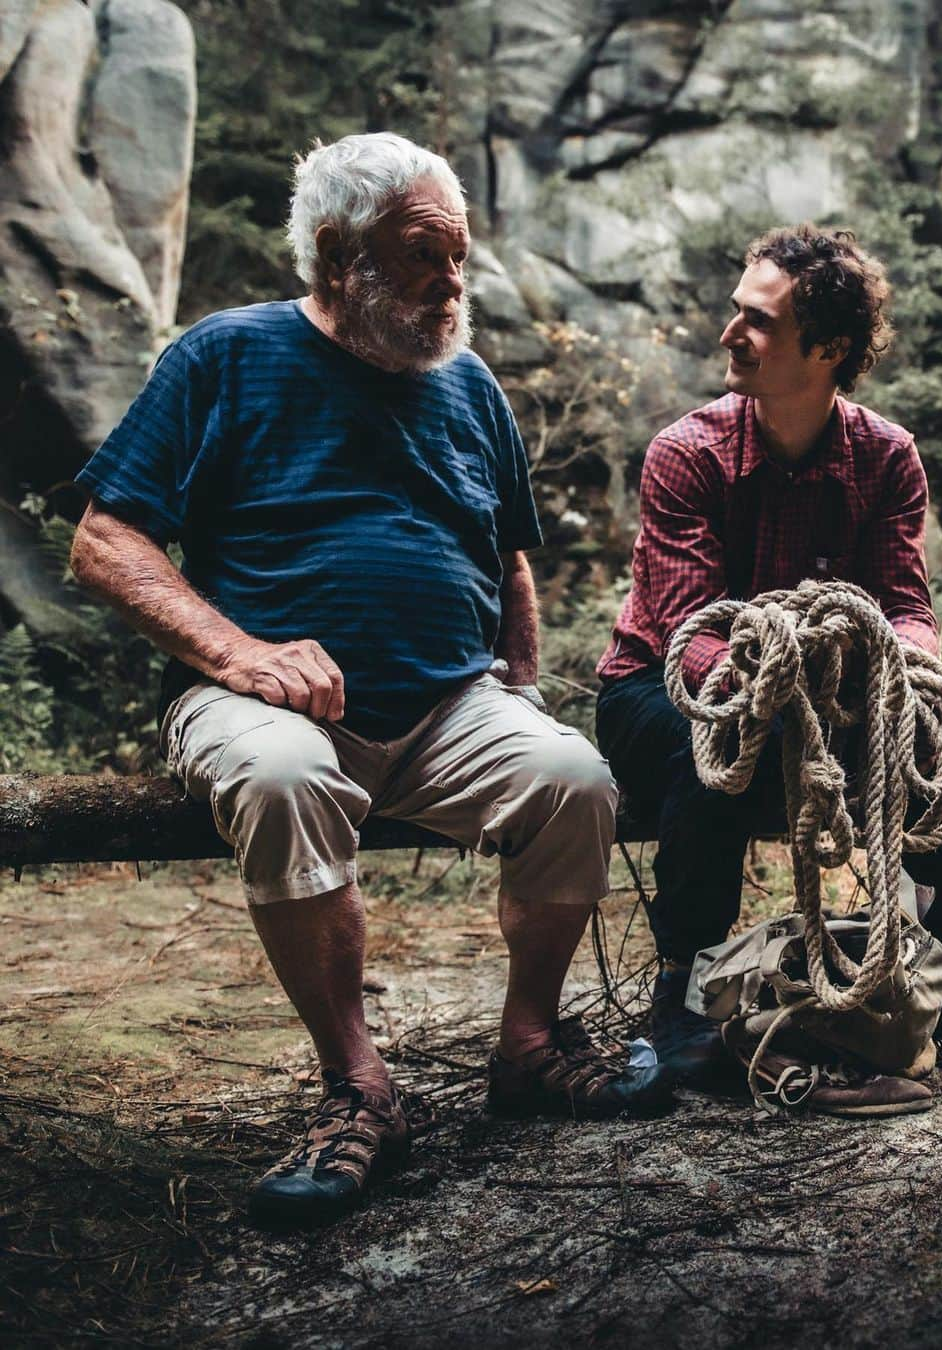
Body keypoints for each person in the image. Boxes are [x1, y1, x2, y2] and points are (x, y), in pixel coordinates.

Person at [69, 132, 674, 1229]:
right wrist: (238, 655)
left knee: (575, 778)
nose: (453, 279)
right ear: (338, 253)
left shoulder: (471, 384)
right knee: (281, 777)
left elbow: (508, 558)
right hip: (260, 701)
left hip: (451, 702)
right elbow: (107, 542)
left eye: (459, 253)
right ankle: (360, 1087)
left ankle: (531, 1045)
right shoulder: (223, 357)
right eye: (420, 253)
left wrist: (519, 687)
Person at [595, 224, 942, 1086]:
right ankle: (683, 992)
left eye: (757, 322)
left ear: (829, 349)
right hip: (666, 687)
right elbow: (696, 635)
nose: (731, 334)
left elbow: (905, 604)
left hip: (820, 689)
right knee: (715, 757)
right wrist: (778, 686)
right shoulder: (687, 455)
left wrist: (904, 670)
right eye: (737, 313)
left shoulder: (885, 456)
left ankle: (925, 974)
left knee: (923, 738)